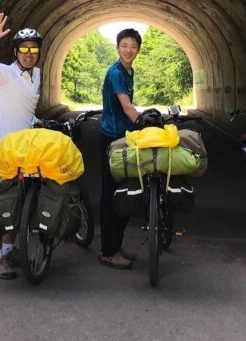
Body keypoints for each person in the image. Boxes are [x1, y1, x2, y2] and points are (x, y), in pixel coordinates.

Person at [0, 12, 43, 279]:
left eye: (33, 49)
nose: (28, 54)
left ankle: (9, 250)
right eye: (24, 49)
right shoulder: (5, 73)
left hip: (28, 150)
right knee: (0, 204)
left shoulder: (37, 74)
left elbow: (26, 108)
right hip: (5, 149)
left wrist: (37, 122)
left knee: (21, 203)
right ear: (16, 52)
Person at [97, 28, 143, 269]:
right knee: (111, 195)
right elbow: (126, 106)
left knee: (125, 192)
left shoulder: (129, 71)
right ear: (117, 48)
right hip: (111, 138)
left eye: (133, 46)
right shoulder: (115, 72)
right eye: (124, 45)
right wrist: (144, 123)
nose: (128, 50)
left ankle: (116, 245)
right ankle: (108, 251)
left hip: (124, 137)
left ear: (138, 50)